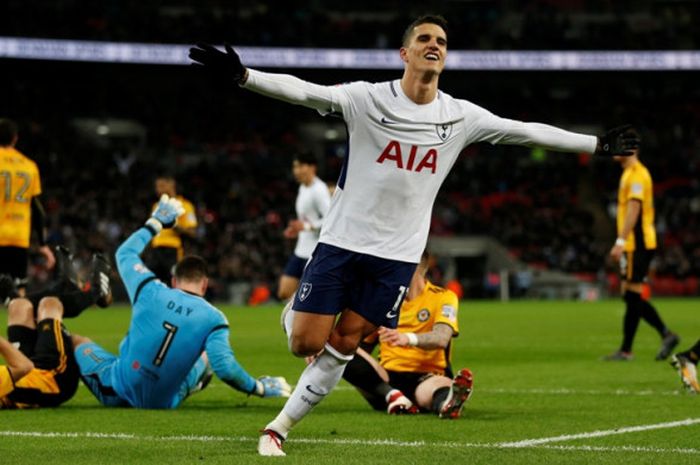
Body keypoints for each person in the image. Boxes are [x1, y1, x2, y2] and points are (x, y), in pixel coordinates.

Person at [190, 15, 638, 456]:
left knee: (345, 344)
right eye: (424, 38)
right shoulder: (367, 99)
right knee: (304, 343)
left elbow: (522, 131)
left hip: (397, 257)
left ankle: (277, 429)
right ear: (404, 53)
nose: (434, 44)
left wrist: (594, 145)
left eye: (441, 40)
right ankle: (297, 309)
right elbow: (307, 92)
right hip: (343, 242)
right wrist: (245, 76)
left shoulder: (459, 116)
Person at [73, 195, 291, 408]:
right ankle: (189, 384)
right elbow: (224, 367)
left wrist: (155, 223)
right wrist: (258, 388)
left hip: (116, 389)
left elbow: (124, 253)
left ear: (174, 280)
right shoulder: (215, 318)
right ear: (205, 284)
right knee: (207, 356)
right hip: (165, 403)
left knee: (74, 340)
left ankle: (48, 385)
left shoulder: (149, 289)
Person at [342, 252, 473, 418]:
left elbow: (441, 338)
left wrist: (408, 338)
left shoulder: (443, 297)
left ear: (416, 267)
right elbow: (361, 347)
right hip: (385, 378)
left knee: (439, 388)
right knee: (335, 346)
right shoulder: (383, 301)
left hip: (427, 376)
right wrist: (325, 353)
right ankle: (392, 396)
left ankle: (447, 404)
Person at [603, 128, 679, 361]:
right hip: (634, 244)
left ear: (632, 149)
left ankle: (636, 346)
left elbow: (634, 209)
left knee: (632, 295)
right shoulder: (628, 173)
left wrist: (620, 241)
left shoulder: (637, 174)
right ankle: (654, 339)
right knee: (630, 296)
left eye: (620, 144)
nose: (615, 148)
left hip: (638, 243)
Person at [0, 118, 55, 296]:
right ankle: (20, 324)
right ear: (15, 138)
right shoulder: (30, 166)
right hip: (18, 238)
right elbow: (37, 209)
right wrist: (43, 244)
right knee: (19, 292)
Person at [0, 296, 80, 408]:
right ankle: (96, 294)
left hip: (25, 373)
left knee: (18, 306)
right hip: (53, 378)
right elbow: (25, 367)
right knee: (49, 304)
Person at [278, 152, 331, 301]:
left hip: (314, 252)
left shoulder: (319, 190)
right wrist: (296, 228)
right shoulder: (303, 188)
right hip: (301, 249)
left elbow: (330, 219)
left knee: (308, 296)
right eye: (295, 167)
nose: (296, 171)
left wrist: (307, 227)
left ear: (312, 167)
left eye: (300, 166)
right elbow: (306, 219)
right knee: (284, 291)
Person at [147, 174, 198, 284]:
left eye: (161, 186)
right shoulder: (156, 206)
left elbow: (193, 232)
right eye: (156, 186)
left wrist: (174, 225)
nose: (158, 189)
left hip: (172, 250)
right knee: (151, 284)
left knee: (174, 283)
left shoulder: (185, 205)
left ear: (171, 184)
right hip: (155, 250)